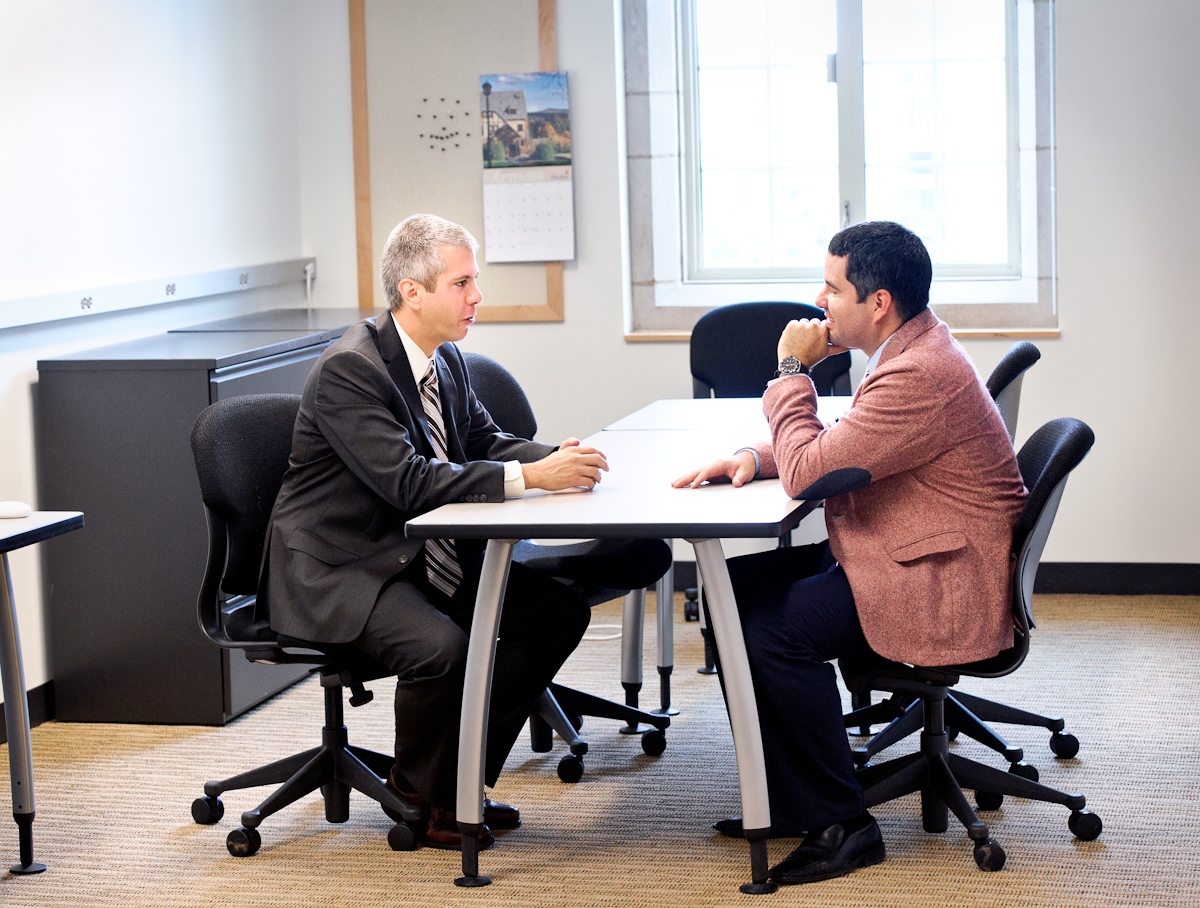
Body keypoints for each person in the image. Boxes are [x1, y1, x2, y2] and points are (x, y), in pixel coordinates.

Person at [672, 221, 1027, 884]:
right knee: (735, 593)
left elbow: (813, 472)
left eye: (832, 288)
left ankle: (843, 824)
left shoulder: (919, 371)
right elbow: (847, 443)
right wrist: (755, 455)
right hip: (915, 549)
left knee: (771, 630)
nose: (820, 300)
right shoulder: (915, 347)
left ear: (878, 303)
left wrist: (789, 370)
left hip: (938, 581)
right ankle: (786, 794)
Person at [260, 214, 603, 851]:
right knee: (442, 648)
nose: (477, 297)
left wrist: (564, 459)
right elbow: (410, 484)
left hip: (408, 551)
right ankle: (419, 793)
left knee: (555, 612)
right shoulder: (351, 370)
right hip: (341, 566)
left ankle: (459, 782)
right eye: (463, 282)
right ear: (412, 293)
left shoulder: (444, 359)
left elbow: (482, 443)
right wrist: (533, 478)